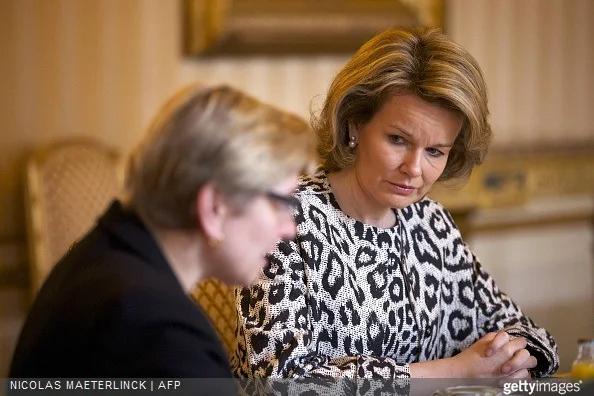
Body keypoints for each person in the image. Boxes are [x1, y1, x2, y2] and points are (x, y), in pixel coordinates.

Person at [232, 27, 559, 379]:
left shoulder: (432, 223)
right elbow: (280, 381)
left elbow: (523, 331)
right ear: (354, 124)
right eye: (398, 140)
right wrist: (457, 371)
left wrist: (514, 361)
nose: (414, 170)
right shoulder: (281, 221)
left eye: (435, 151)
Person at [9, 84, 315, 377]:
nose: (289, 228)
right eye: (280, 203)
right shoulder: (162, 335)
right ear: (213, 208)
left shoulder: (98, 256)